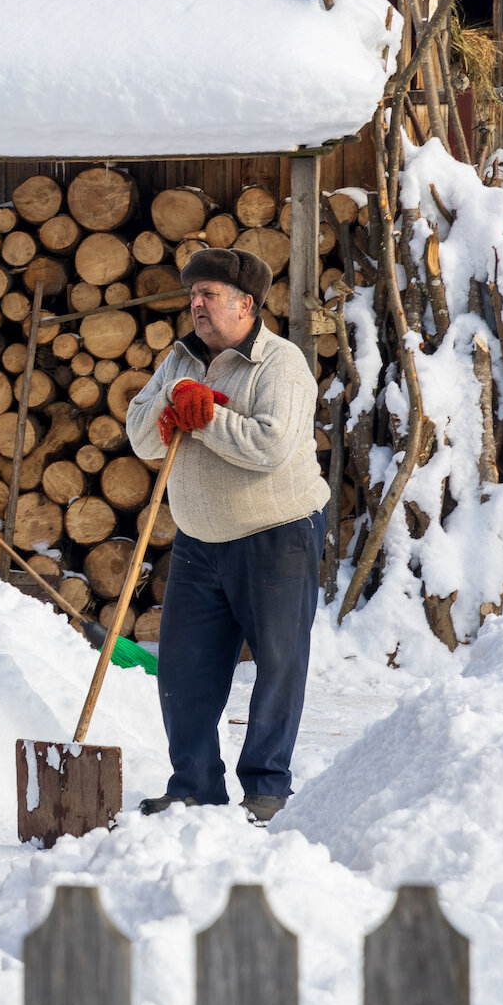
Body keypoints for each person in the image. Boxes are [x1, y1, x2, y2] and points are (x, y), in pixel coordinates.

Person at [123, 247, 329, 825]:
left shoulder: (279, 364)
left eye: (209, 295)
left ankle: (266, 787)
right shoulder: (180, 359)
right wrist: (171, 399)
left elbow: (269, 447)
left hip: (276, 536)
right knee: (183, 669)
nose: (197, 306)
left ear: (246, 304)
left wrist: (206, 418)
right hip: (198, 541)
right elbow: (140, 439)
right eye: (193, 296)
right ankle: (193, 784)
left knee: (279, 664)